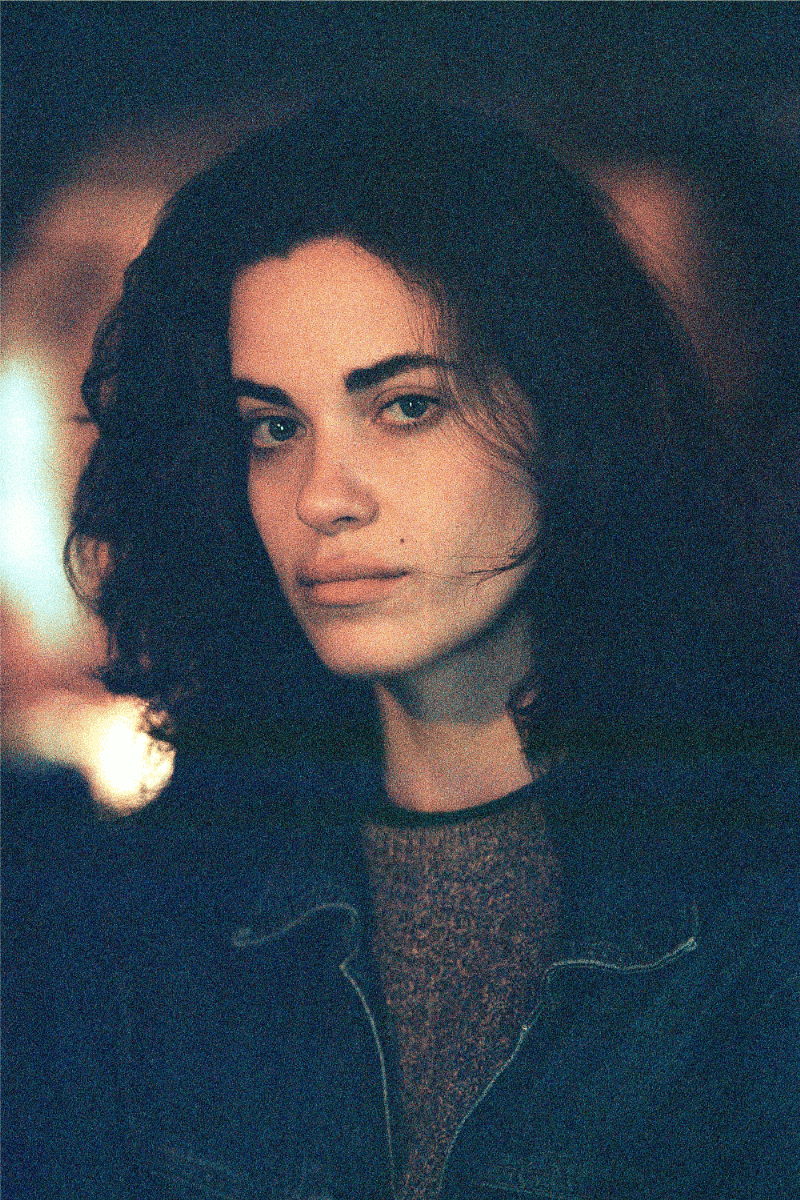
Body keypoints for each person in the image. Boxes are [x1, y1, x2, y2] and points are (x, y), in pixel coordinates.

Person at [10, 96, 799, 1199]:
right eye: (273, 427)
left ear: (566, 414)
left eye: (405, 407)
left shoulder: (753, 900)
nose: (322, 496)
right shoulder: (150, 916)